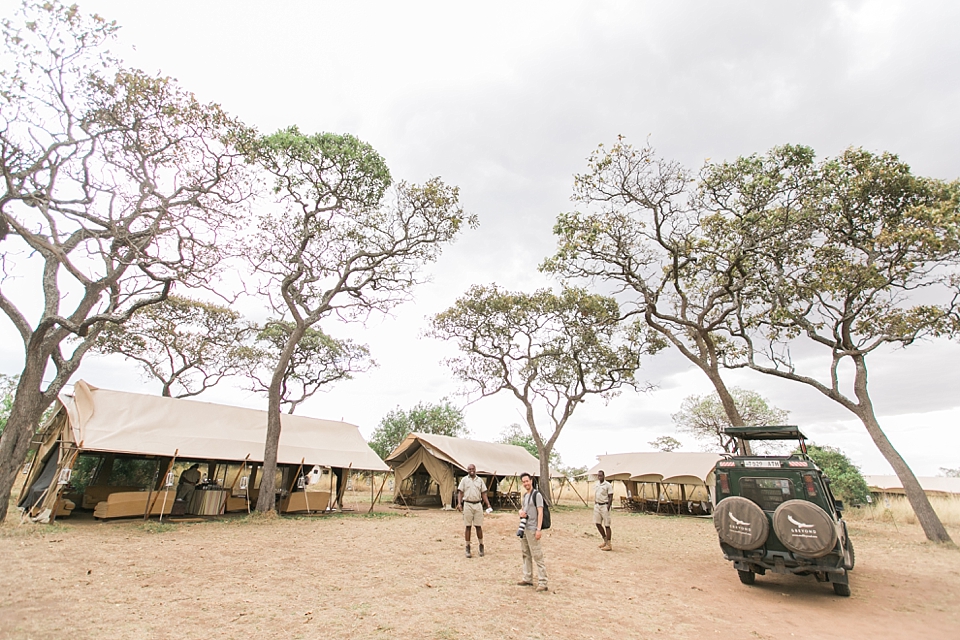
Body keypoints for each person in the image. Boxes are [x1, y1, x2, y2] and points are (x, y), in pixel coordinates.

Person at [516, 472, 547, 592]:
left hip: (533, 528)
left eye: (527, 481)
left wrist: (538, 529)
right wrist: (521, 512)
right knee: (526, 553)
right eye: (523, 482)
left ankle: (543, 581)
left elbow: (540, 512)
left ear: (531, 481)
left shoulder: (536, 495)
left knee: (537, 555)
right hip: (524, 528)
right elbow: (523, 509)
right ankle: (527, 577)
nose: (525, 484)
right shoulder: (525, 496)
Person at [457, 464, 492, 558]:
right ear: (467, 470)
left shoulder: (480, 480)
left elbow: (483, 493)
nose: (471, 470)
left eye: (473, 469)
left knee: (478, 526)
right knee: (467, 526)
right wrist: (459, 503)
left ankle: (481, 545)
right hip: (467, 504)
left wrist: (488, 504)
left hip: (478, 504)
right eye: (469, 469)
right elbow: (460, 492)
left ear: (475, 470)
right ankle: (467, 546)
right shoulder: (464, 480)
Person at [594, 469, 614, 551]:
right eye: (598, 476)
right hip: (597, 505)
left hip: (604, 506)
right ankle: (605, 540)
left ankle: (609, 544)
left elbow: (610, 497)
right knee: (597, 523)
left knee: (607, 525)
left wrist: (608, 507)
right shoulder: (597, 484)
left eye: (601, 475)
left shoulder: (608, 485)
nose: (599, 477)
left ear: (604, 476)